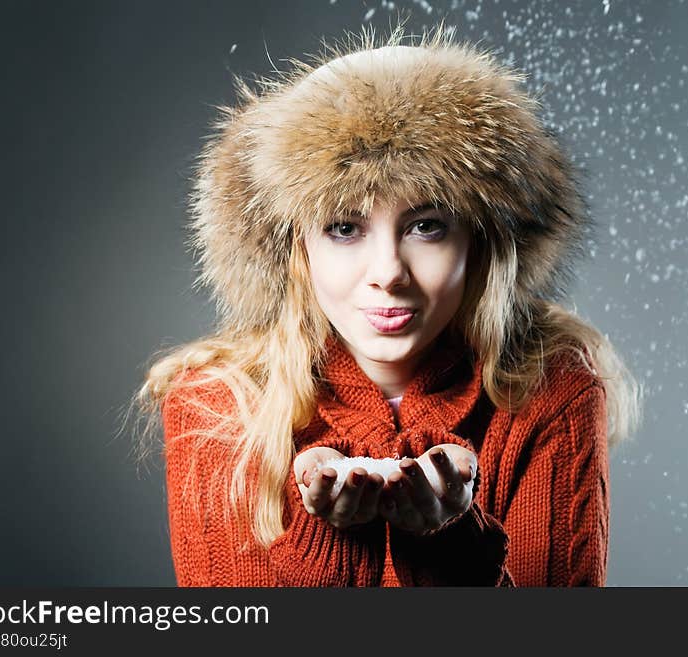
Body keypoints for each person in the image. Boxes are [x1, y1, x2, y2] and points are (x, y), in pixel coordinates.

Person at [137, 23, 642, 587]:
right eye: (344, 227)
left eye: (426, 226)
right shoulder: (218, 406)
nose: (387, 274)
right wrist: (330, 544)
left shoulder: (554, 386)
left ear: (480, 242)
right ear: (294, 248)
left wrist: (451, 550)